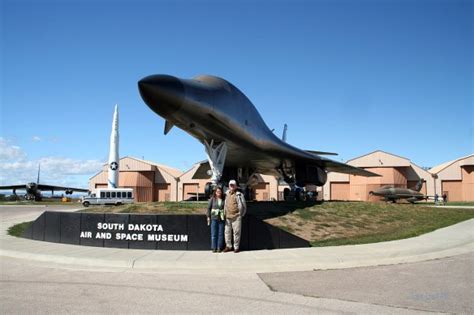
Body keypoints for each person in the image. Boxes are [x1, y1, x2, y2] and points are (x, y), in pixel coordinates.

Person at [223, 179, 246, 253]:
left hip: (236, 217)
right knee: (227, 233)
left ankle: (236, 247)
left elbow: (244, 206)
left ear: (236, 186)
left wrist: (241, 214)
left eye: (233, 185)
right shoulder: (226, 194)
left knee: (236, 233)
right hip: (227, 217)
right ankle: (228, 246)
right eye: (230, 185)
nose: (232, 186)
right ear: (229, 186)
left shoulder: (239, 195)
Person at [206, 186, 225, 253]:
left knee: (220, 234)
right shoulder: (212, 199)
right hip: (214, 218)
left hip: (221, 218)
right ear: (215, 192)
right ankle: (214, 247)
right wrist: (208, 217)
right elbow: (208, 208)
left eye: (220, 191)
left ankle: (219, 247)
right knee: (214, 234)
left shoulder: (223, 199)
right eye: (217, 191)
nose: (218, 192)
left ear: (221, 192)